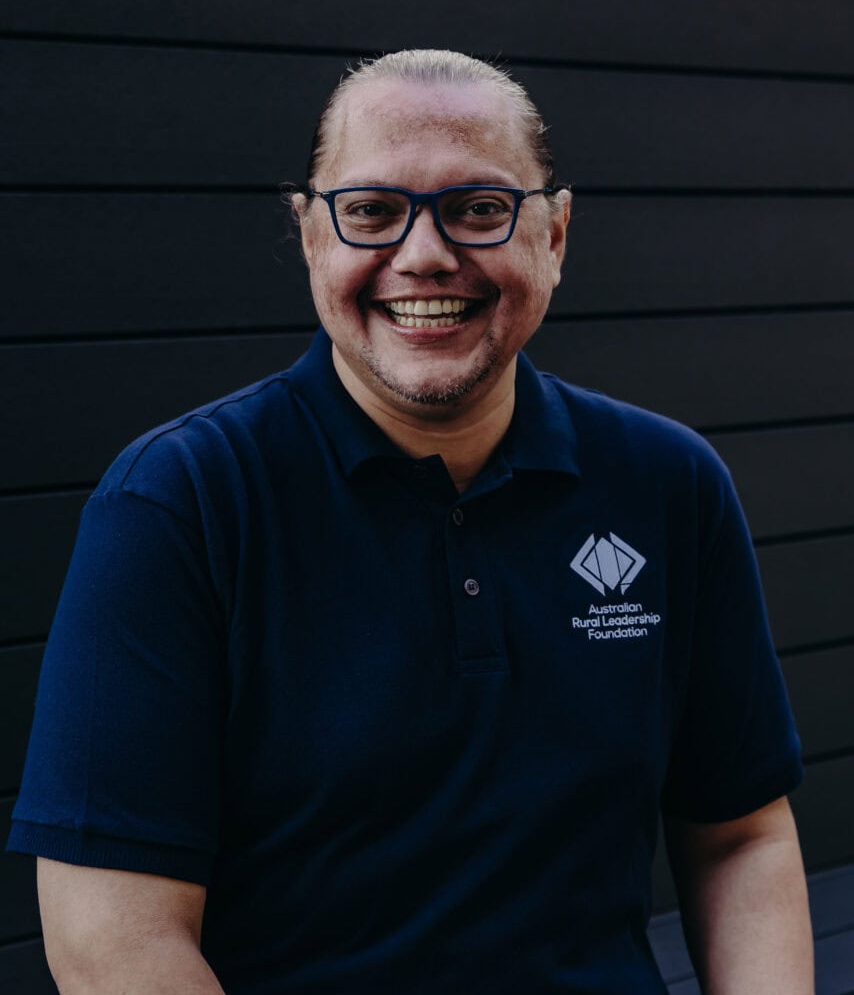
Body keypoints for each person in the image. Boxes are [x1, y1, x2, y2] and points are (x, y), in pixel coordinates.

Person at [8, 50, 813, 993]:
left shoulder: (669, 485)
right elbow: (110, 941)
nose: (424, 255)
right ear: (311, 236)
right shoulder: (179, 504)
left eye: (479, 209)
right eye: (372, 211)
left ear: (554, 236)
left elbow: (741, 837)